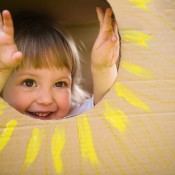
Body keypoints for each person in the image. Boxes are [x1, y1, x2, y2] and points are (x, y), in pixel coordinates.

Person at [0, 7, 120, 120]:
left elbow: (105, 105)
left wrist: (103, 68)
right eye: (29, 83)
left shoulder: (73, 116)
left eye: (59, 84)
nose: (46, 100)